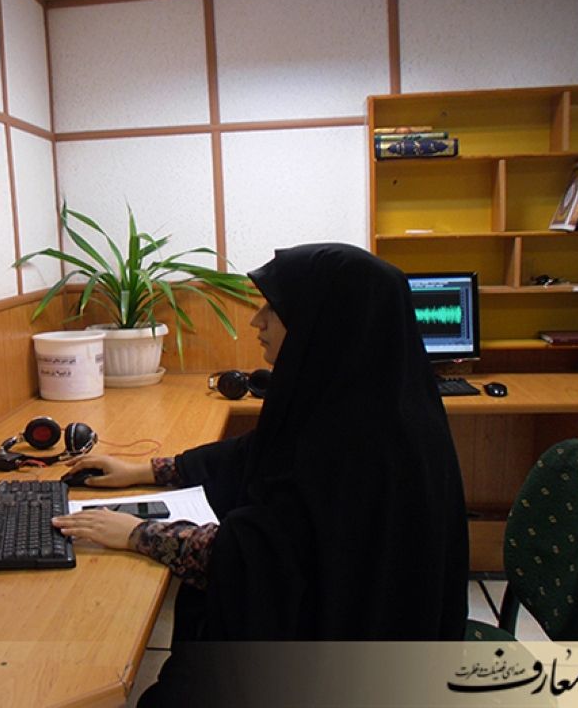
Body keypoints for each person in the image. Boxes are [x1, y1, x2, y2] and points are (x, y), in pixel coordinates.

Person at [52, 244, 469, 702]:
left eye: (274, 308)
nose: (257, 321)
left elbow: (261, 560)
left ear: (324, 322)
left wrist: (137, 534)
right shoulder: (359, 400)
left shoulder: (363, 445)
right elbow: (255, 454)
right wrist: (143, 469)